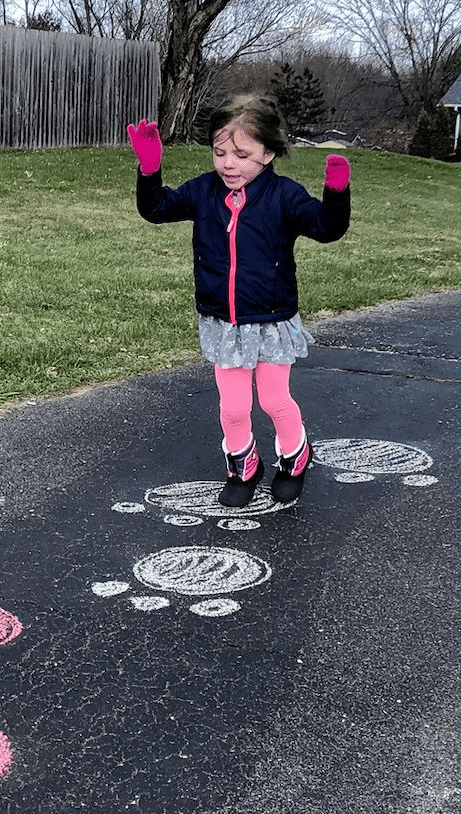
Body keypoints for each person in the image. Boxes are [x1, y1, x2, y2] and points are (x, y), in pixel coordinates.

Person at [127, 95, 350, 509]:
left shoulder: (284, 196)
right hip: (223, 322)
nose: (229, 163)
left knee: (273, 399)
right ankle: (243, 465)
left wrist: (336, 194)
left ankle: (295, 456)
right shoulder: (204, 191)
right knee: (232, 408)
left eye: (242, 154)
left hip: (270, 319)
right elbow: (156, 209)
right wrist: (150, 169)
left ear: (268, 152)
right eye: (220, 152)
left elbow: (326, 228)